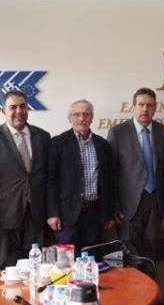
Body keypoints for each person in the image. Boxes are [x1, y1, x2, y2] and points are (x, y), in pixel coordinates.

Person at [107, 87, 164, 305]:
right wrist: (113, 206)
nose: (145, 109)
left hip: (155, 201)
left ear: (155, 108)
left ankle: (151, 303)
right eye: (141, 104)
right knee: (130, 255)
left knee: (152, 254)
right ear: (133, 107)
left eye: (150, 105)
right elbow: (111, 174)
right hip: (128, 205)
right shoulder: (118, 132)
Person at [0, 90, 50, 270]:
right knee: (6, 269)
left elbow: (48, 177)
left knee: (36, 269)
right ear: (3, 111)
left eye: (23, 106)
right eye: (13, 107)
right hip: (2, 216)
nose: (19, 111)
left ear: (28, 109)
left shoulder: (43, 137)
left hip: (36, 215)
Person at [47, 100, 115, 251]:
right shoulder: (57, 143)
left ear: (92, 118)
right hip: (66, 216)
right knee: (66, 260)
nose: (81, 118)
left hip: (95, 214)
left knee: (92, 258)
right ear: (69, 118)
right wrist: (52, 213)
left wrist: (109, 213)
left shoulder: (103, 145)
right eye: (76, 114)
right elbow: (51, 181)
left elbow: (110, 181)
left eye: (86, 114)